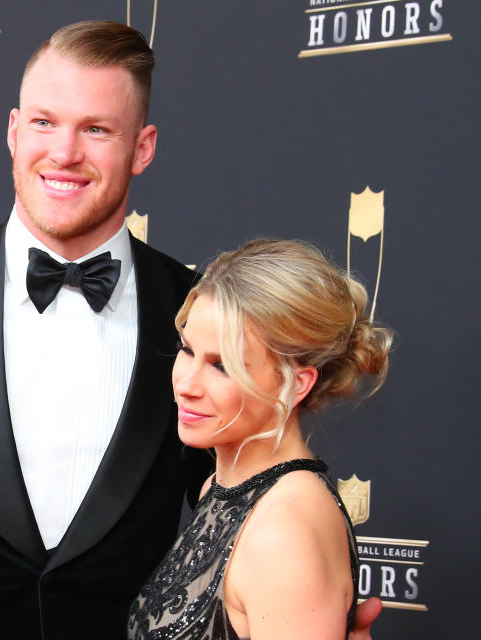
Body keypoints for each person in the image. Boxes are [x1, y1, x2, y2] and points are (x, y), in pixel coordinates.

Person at [0, 20, 381, 640]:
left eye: (97, 129)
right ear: (13, 130)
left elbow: (242, 504)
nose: (64, 153)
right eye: (45, 122)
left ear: (143, 148)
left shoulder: (198, 318)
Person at [129, 239, 393, 640]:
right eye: (187, 350)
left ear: (296, 384)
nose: (186, 384)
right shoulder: (219, 488)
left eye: (222, 366)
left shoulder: (281, 535)